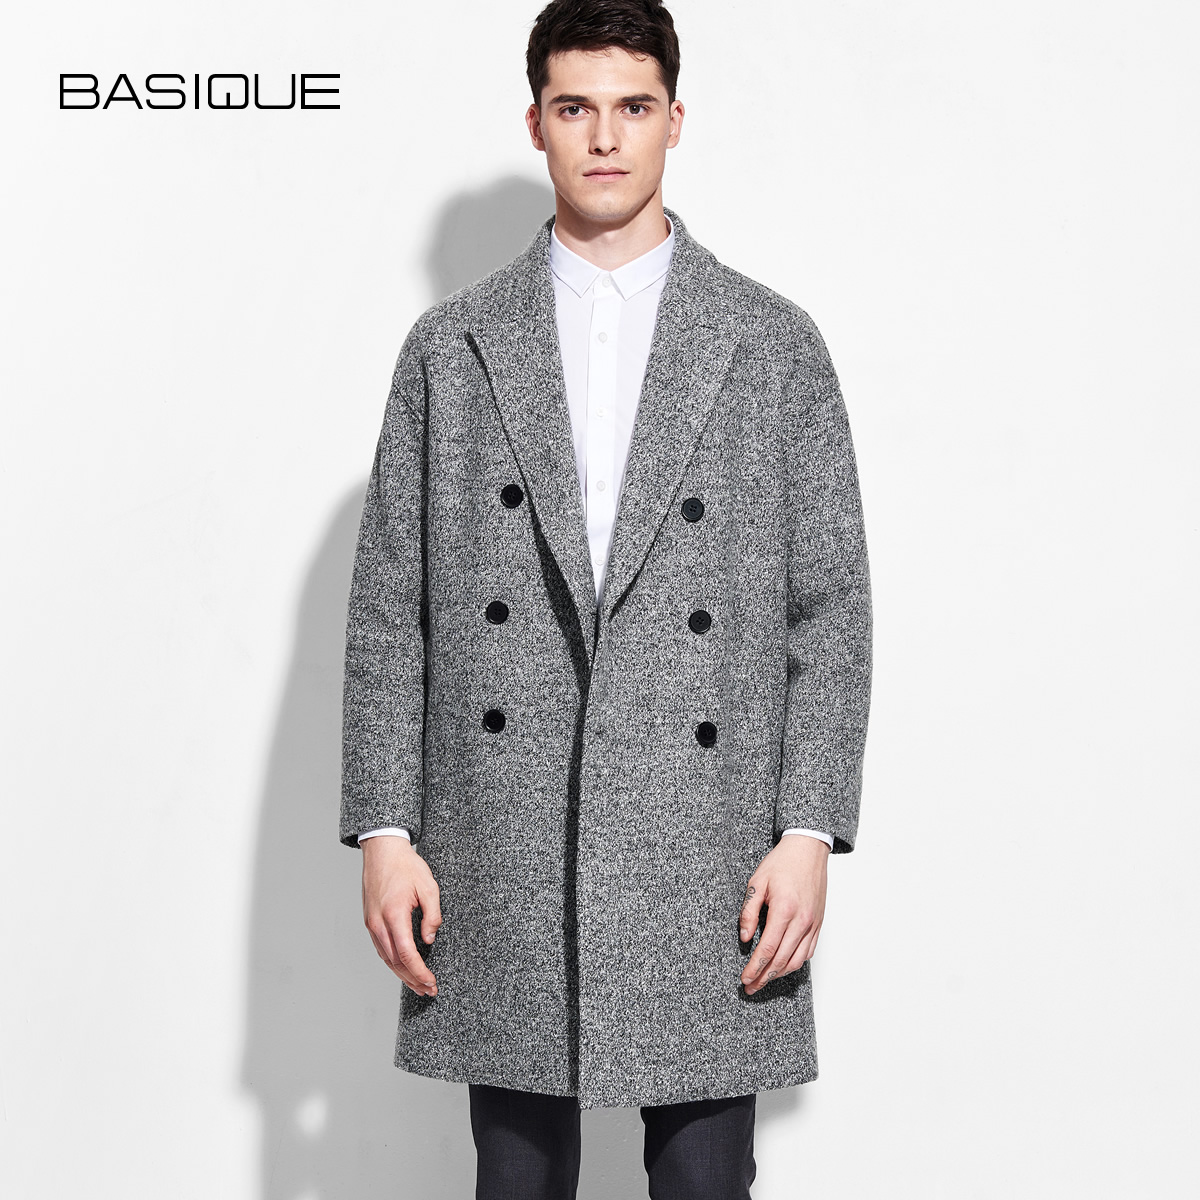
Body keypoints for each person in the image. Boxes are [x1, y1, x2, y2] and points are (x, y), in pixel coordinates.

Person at [339, 2, 873, 1196]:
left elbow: (830, 609)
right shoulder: (451, 349)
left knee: (704, 1181)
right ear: (535, 123)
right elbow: (387, 612)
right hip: (503, 830)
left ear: (676, 121)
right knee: (517, 1180)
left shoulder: (771, 344)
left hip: (711, 837)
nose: (604, 137)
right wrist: (384, 832)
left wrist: (808, 830)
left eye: (633, 107)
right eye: (574, 107)